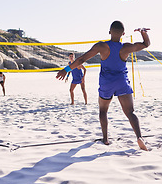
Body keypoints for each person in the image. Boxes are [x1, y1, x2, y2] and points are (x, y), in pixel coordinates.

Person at [56, 21, 150, 151]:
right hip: (122, 81)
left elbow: (81, 59)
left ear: (109, 31)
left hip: (107, 83)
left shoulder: (101, 46)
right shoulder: (126, 47)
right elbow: (146, 44)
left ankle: (105, 139)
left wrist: (66, 70)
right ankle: (139, 137)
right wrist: (143, 33)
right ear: (123, 34)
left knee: (103, 111)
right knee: (130, 112)